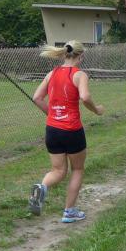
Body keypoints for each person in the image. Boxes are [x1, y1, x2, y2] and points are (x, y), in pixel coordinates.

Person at [28, 40, 105, 223]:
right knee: (77, 169)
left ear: (64, 54)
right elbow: (85, 97)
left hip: (52, 130)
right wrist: (97, 110)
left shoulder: (51, 73)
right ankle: (69, 212)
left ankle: (42, 187)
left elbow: (37, 97)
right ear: (81, 56)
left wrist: (53, 114)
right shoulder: (79, 75)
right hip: (71, 130)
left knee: (58, 171)